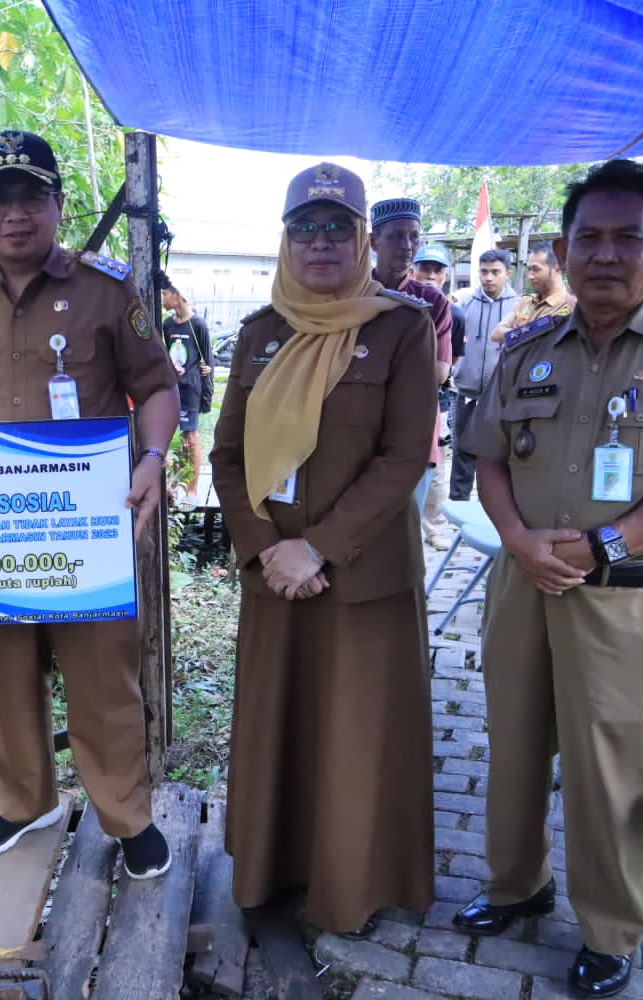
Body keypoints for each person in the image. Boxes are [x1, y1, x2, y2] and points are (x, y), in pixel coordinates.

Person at [453, 159, 643, 997]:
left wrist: (604, 545)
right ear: (562, 248)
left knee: (609, 768)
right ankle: (516, 885)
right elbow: (487, 460)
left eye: (630, 237)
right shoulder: (526, 348)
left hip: (623, 599)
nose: (608, 254)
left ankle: (611, 928)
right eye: (591, 237)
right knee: (512, 745)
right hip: (523, 586)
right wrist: (517, 541)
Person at [0, 130, 180, 878]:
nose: (16, 214)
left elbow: (157, 386)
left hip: (86, 528)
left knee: (102, 676)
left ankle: (126, 815)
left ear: (57, 205)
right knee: (8, 669)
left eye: (32, 197)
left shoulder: (107, 290)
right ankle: (25, 799)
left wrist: (153, 460)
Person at [209, 162, 436, 937]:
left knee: (353, 740)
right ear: (285, 239)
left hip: (361, 580)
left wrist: (321, 549)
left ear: (364, 238)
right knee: (280, 725)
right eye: (304, 227)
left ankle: (350, 888)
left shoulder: (401, 328)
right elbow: (228, 455)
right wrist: (267, 547)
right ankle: (270, 873)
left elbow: (406, 456)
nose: (321, 243)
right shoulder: (260, 333)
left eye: (339, 227)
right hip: (273, 576)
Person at [369, 198, 453, 532]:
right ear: (374, 241)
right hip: (354, 433)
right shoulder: (353, 296)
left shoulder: (432, 302)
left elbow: (438, 373)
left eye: (414, 237)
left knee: (403, 538)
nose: (407, 246)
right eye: (396, 236)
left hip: (412, 434)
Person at [449, 248, 518, 500]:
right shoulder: (464, 304)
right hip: (465, 392)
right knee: (462, 451)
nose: (488, 277)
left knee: (498, 456)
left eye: (495, 272)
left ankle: (497, 510)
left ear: (507, 274)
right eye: (484, 271)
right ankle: (458, 506)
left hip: (501, 396)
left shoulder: (519, 307)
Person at [410, 243, 460, 547]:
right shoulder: (387, 302)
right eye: (425, 268)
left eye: (437, 270)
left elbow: (445, 370)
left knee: (433, 466)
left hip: (433, 402)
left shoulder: (451, 312)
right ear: (413, 269)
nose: (430, 275)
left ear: (446, 275)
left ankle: (435, 528)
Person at [160, 271, 213, 510]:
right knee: (172, 438)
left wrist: (206, 392)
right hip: (173, 389)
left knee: (190, 438)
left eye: (165, 294)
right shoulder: (168, 324)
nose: (162, 299)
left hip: (191, 389)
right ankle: (177, 485)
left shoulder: (198, 325)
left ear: (177, 295)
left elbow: (207, 361)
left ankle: (192, 489)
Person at [490, 242, 575, 343]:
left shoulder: (568, 307)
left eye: (536, 269)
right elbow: (496, 334)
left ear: (557, 268)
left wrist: (515, 333)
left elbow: (542, 342)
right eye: (529, 269)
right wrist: (527, 333)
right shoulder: (526, 301)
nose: (530, 276)